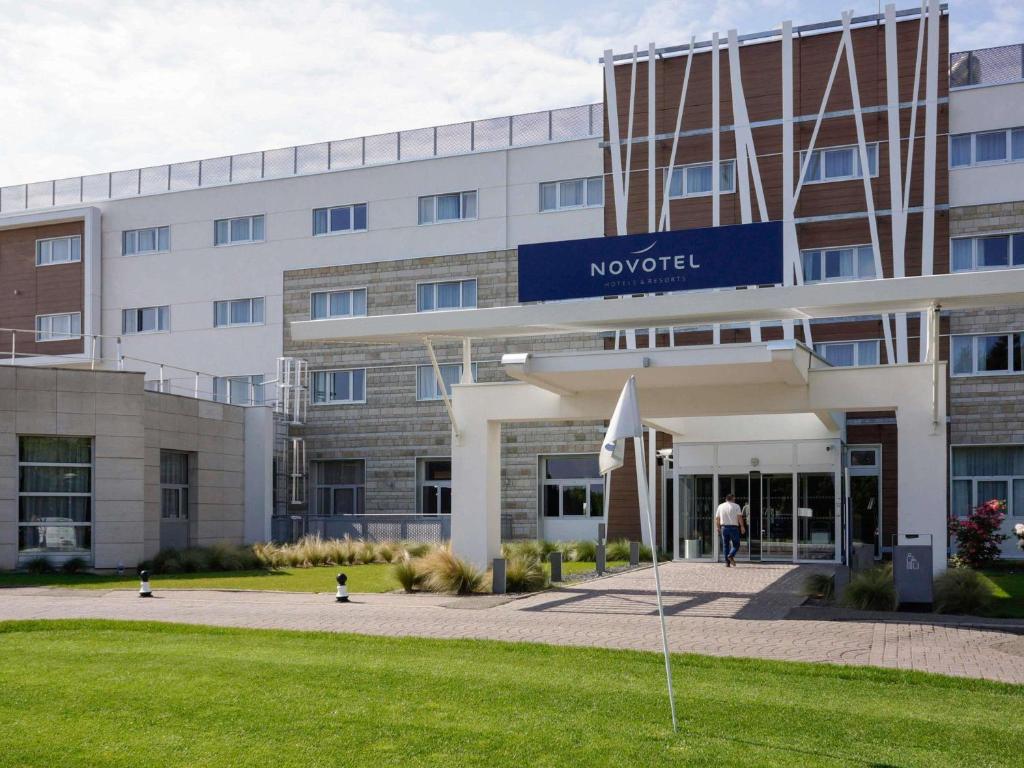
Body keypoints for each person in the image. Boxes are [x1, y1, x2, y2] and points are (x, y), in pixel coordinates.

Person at [715, 493, 746, 567]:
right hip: (733, 528)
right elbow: (739, 517)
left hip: (724, 528)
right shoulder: (736, 506)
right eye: (734, 498)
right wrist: (742, 526)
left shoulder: (720, 506)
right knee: (736, 544)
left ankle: (727, 563)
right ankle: (731, 555)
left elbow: (717, 518)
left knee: (726, 545)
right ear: (733, 499)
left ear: (726, 499)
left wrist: (718, 527)